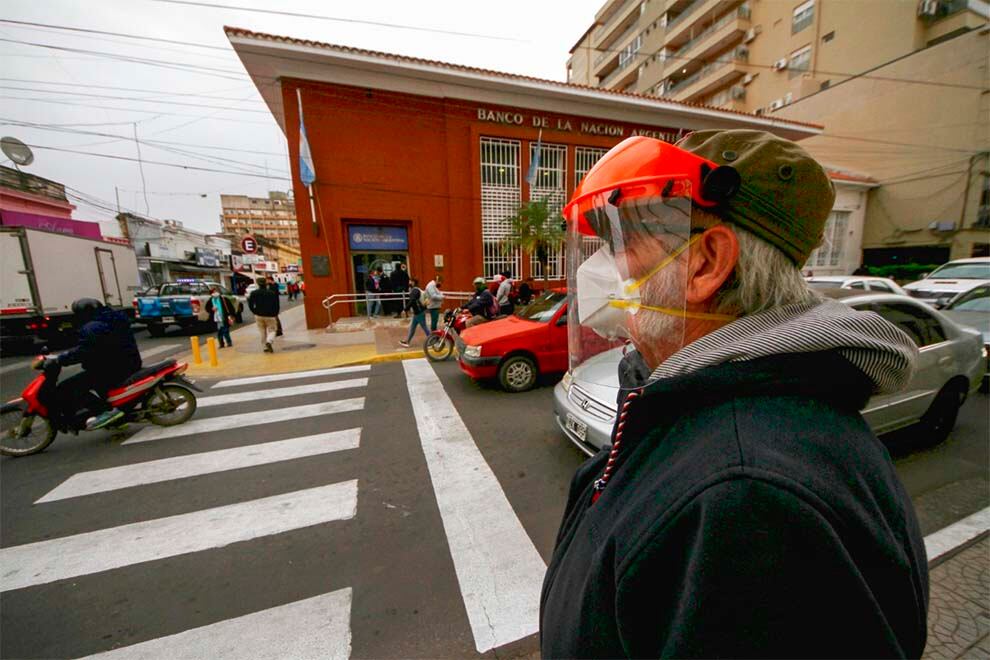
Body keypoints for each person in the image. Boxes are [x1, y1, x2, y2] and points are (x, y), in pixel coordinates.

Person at [541, 132, 927, 658]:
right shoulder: (698, 406)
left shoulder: (750, 503)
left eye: (624, 242)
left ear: (705, 264)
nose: (605, 268)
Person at [47, 298, 142, 430]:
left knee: (69, 388)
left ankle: (106, 414)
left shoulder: (93, 327)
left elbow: (84, 350)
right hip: (125, 363)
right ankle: (113, 414)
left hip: (112, 368)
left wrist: (61, 359)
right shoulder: (111, 318)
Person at [248, 277, 280, 353]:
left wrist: (254, 311)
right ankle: (269, 341)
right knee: (273, 330)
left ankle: (265, 347)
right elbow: (276, 304)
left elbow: (250, 304)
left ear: (258, 284)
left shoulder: (254, 293)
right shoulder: (271, 293)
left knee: (262, 331)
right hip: (270, 315)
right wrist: (275, 313)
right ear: (266, 284)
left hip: (258, 315)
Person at [398, 277, 429, 348]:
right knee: (412, 327)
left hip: (419, 312)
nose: (409, 283)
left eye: (410, 281)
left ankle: (433, 340)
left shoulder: (414, 291)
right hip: (417, 312)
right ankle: (407, 341)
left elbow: (412, 301)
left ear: (413, 282)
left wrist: (405, 309)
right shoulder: (417, 289)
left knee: (424, 327)